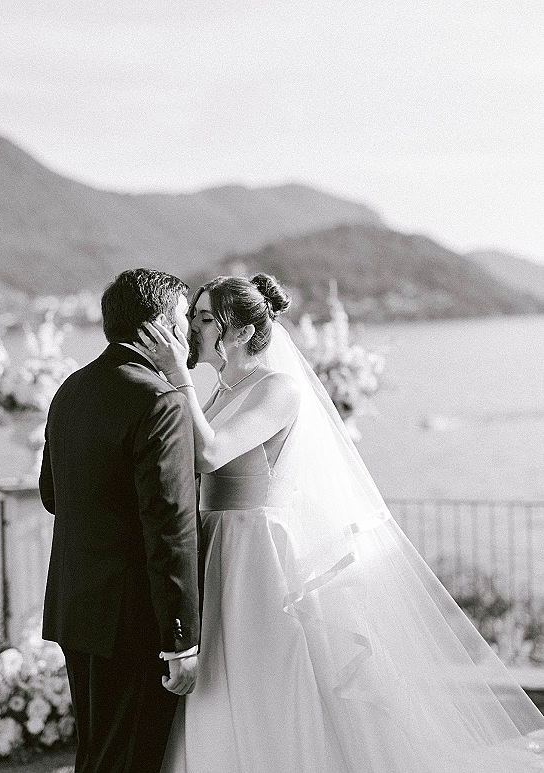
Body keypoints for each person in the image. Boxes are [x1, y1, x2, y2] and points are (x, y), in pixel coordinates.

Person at [138, 272, 544, 773]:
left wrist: (178, 376)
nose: (191, 331)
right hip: (213, 541)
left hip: (250, 551)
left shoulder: (278, 390)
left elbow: (211, 452)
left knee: (255, 674)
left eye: (203, 319)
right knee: (217, 680)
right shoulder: (220, 390)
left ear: (240, 331)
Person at [39, 269, 202, 773]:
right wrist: (182, 639)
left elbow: (51, 496)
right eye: (181, 320)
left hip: (77, 608)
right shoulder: (161, 400)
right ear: (158, 327)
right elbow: (171, 525)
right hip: (135, 622)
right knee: (130, 761)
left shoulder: (71, 389)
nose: (188, 335)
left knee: (96, 755)